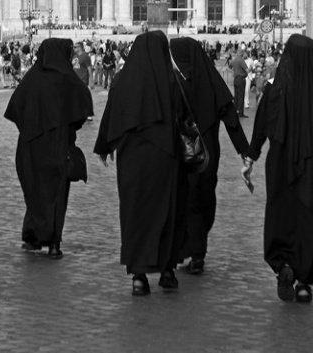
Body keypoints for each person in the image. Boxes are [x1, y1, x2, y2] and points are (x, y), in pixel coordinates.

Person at [245, 34, 313, 303]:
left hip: (280, 166)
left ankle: (283, 266)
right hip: (312, 167)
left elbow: (261, 128)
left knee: (280, 216)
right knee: (308, 221)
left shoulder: (274, 91)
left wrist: (250, 159)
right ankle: (303, 282)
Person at [94, 31, 189, 296]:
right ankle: (167, 270)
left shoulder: (123, 79)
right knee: (167, 212)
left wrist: (104, 147)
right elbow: (183, 115)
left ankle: (138, 275)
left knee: (135, 213)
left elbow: (111, 113)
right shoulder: (171, 79)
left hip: (132, 161)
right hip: (165, 158)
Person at [5, 39, 93, 259]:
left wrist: (31, 127)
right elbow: (83, 106)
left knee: (34, 191)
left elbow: (15, 108)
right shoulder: (67, 79)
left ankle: (33, 237)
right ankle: (54, 243)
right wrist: (67, 127)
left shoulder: (32, 79)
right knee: (56, 193)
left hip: (30, 146)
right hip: (59, 144)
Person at [170, 38, 250, 275]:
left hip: (185, 152)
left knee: (187, 201)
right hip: (208, 154)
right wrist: (244, 151)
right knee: (203, 199)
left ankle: (189, 250)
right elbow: (231, 119)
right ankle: (197, 252)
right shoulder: (212, 82)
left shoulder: (176, 83)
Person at [230, 48, 249, 118]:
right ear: (241, 53)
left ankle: (234, 111)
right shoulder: (241, 60)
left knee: (236, 96)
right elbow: (247, 70)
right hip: (241, 79)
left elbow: (229, 66)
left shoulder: (234, 60)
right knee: (241, 96)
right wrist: (246, 73)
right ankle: (240, 113)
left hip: (235, 79)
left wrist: (235, 71)